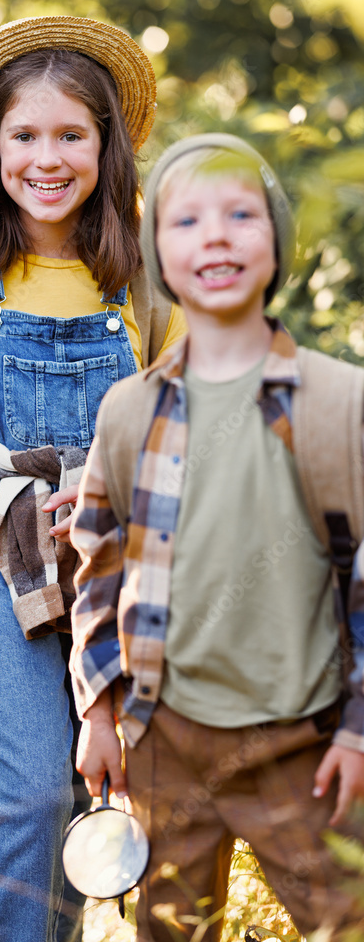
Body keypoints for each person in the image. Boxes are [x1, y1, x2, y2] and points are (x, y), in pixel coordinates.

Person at [0, 16, 186, 942]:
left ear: (108, 147)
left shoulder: (146, 285)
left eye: (71, 135)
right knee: (29, 791)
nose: (47, 157)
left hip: (120, 559)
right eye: (24, 135)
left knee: (113, 787)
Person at [70, 132, 364, 941]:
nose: (218, 236)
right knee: (174, 931)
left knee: (347, 920)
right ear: (157, 253)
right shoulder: (130, 412)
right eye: (188, 219)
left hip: (300, 738)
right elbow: (99, 566)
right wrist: (100, 710)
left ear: (276, 241)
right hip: (169, 738)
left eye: (242, 214)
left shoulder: (339, 403)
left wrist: (358, 731)